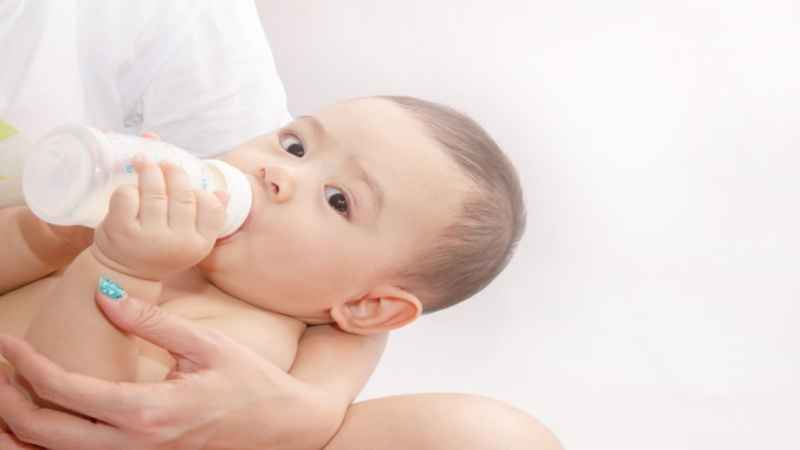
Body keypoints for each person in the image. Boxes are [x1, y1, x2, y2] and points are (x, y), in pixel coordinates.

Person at [0, 1, 562, 449]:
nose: (276, 173)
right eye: (295, 144)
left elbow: (69, 414)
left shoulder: (245, 345)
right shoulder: (162, 244)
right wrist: (58, 228)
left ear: (367, 307)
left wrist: (115, 267)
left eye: (339, 199)